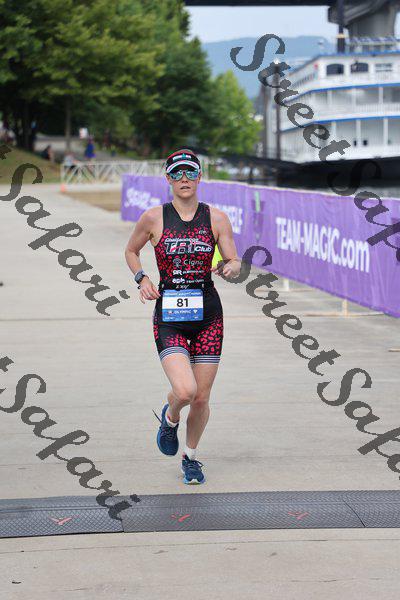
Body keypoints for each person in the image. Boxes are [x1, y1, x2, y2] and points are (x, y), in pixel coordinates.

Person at [125, 149, 241, 484]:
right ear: (168, 179)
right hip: (170, 317)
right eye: (177, 173)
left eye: (190, 172)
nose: (184, 178)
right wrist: (142, 279)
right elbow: (131, 250)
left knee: (201, 397)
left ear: (200, 176)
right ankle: (171, 417)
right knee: (185, 390)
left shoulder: (217, 218)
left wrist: (230, 267)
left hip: (208, 317)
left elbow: (234, 259)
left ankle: (190, 457)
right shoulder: (153, 218)